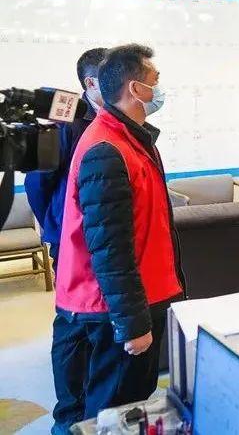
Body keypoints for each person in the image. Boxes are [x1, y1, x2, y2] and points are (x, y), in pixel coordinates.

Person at [50, 44, 184, 435]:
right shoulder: (106, 149)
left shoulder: (131, 140)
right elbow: (110, 249)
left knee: (124, 408)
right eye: (154, 81)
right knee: (111, 414)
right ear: (135, 88)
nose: (159, 89)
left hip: (136, 299)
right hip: (112, 311)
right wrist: (132, 324)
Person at [25, 47, 107, 270]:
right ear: (91, 83)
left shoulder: (119, 118)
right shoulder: (63, 122)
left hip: (109, 232)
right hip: (71, 234)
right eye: (111, 75)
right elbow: (36, 182)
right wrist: (57, 220)